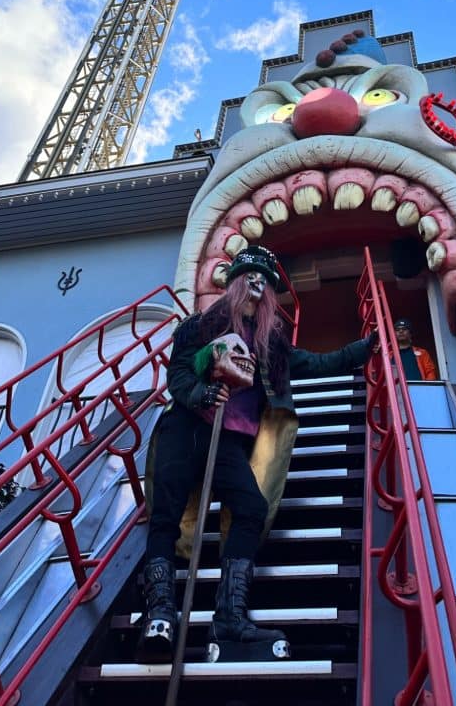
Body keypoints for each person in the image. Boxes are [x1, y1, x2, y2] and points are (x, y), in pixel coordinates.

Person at [136, 245, 373, 663]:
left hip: (229, 442)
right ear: (235, 284)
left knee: (250, 507)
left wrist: (363, 348)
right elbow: (177, 375)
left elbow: (317, 365)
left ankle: (229, 615)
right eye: (249, 279)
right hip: (188, 429)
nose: (256, 289)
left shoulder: (271, 345)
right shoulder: (200, 326)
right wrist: (202, 391)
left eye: (263, 283)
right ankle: (160, 614)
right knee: (166, 514)